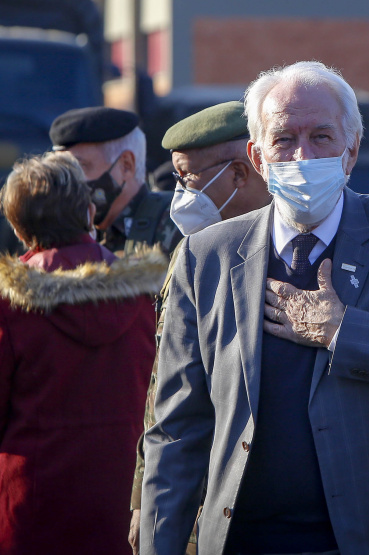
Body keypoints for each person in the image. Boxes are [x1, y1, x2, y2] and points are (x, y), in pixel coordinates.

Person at [140, 61, 369, 555]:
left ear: (352, 150)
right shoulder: (206, 256)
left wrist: (345, 331)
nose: (303, 155)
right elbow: (176, 429)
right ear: (258, 158)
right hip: (246, 539)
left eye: (322, 136)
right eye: (284, 139)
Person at [0, 152, 165, 554]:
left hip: (31, 502)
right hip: (126, 501)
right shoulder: (144, 294)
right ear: (90, 213)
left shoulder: (10, 304)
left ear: (19, 230)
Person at [127, 101, 273, 554]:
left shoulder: (291, 251)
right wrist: (143, 499)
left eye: (189, 179)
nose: (181, 195)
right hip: (200, 501)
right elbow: (166, 392)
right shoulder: (191, 256)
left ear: (239, 173)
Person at [49, 106, 181, 257]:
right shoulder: (62, 232)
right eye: (62, 169)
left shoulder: (175, 225)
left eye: (79, 167)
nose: (67, 180)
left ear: (126, 165)